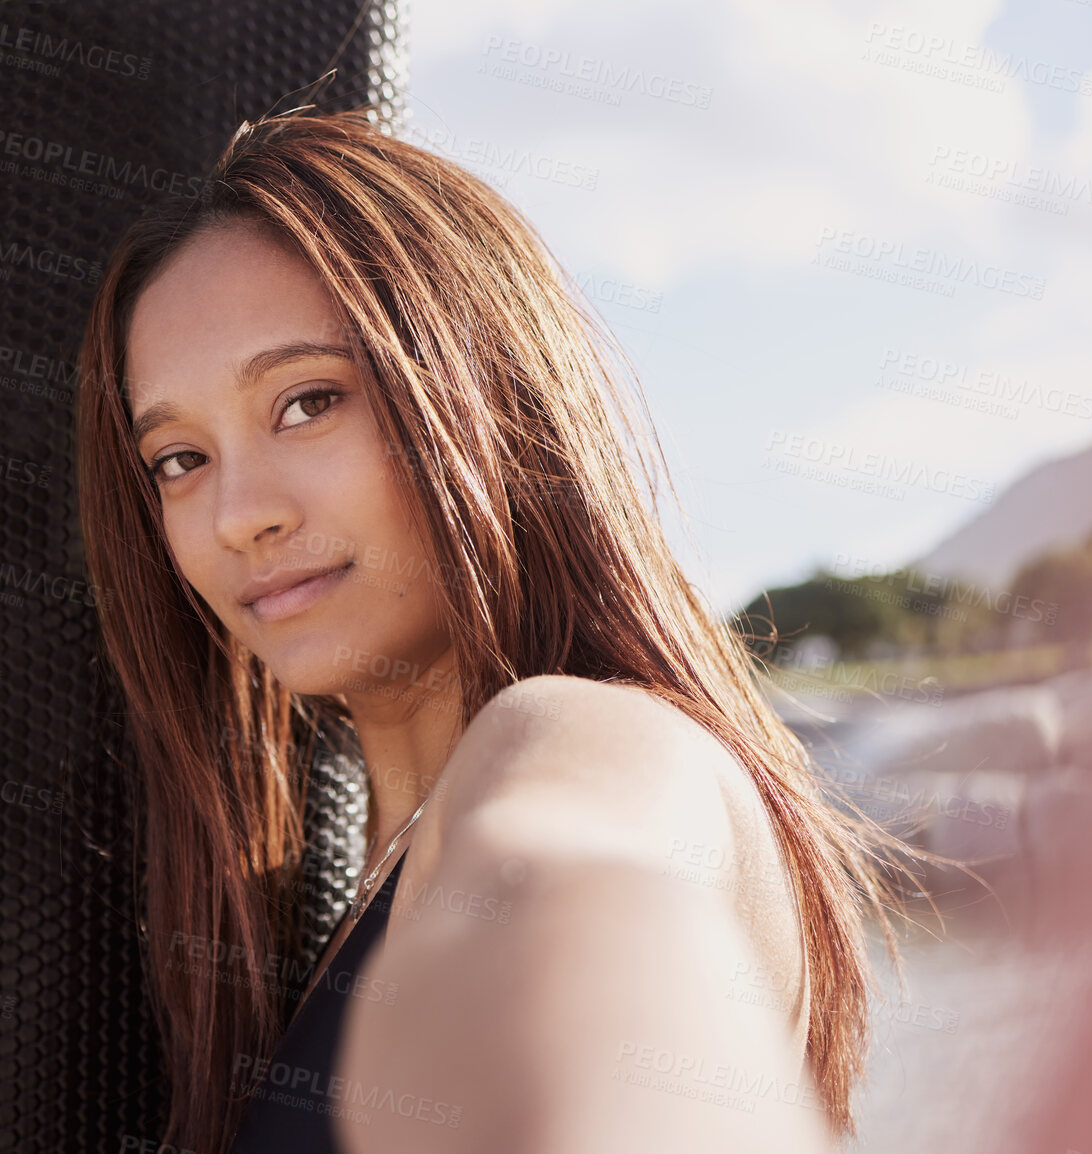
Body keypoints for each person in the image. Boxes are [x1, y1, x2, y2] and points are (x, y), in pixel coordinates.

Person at [75, 106, 914, 1153]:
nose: (240, 511)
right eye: (178, 460)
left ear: (482, 391)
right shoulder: (353, 895)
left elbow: (574, 893)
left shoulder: (592, 740)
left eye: (306, 401)